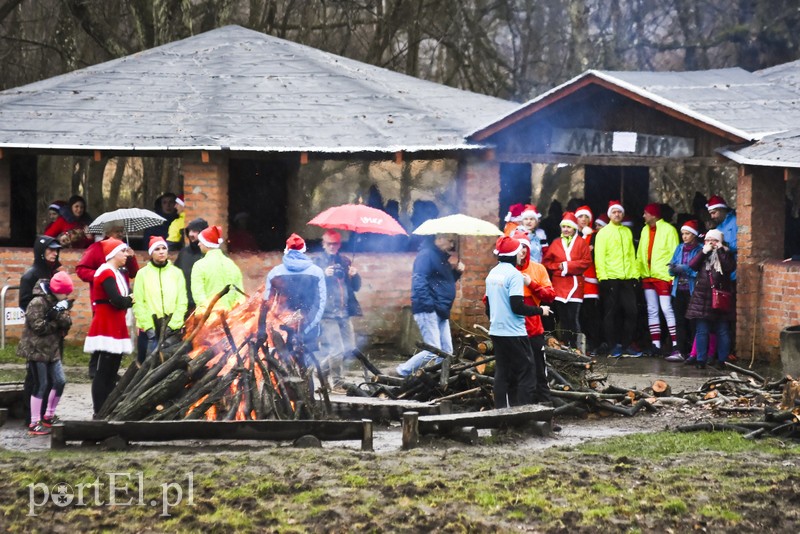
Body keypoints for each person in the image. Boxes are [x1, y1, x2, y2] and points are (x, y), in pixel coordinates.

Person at [484, 235, 551, 408]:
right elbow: (517, 307)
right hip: (514, 332)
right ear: (513, 253)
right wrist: (540, 310)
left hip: (496, 331)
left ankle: (502, 415)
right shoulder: (514, 275)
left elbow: (488, 308)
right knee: (527, 373)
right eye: (519, 250)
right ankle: (523, 415)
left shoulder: (493, 273)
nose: (522, 253)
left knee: (502, 373)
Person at [76, 221, 139, 377]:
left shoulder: (124, 250)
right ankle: (95, 366)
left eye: (122, 231)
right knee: (102, 330)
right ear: (108, 232)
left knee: (116, 330)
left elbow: (133, 273)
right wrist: (99, 277)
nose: (121, 234)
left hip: (120, 297)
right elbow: (81, 269)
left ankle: (111, 368)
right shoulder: (96, 248)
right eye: (117, 231)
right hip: (103, 297)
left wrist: (131, 257)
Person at [396, 234, 464, 377]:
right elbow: (419, 281)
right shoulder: (426, 255)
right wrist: (428, 306)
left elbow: (442, 282)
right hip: (430, 308)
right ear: (438, 239)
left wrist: (456, 273)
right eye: (449, 240)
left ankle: (439, 378)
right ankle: (401, 371)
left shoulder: (441, 258)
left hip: (441, 309)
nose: (452, 245)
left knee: (446, 352)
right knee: (433, 350)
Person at [16, 271, 74, 435]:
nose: (67, 295)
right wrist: (55, 322)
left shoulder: (58, 303)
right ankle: (34, 422)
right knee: (41, 385)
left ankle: (48, 415)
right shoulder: (37, 302)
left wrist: (60, 316)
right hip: (36, 349)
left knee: (60, 381)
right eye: (65, 292)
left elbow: (67, 322)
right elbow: (38, 326)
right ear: (57, 290)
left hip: (52, 350)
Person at [83, 238, 135, 416]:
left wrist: (127, 301)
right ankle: (99, 410)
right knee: (103, 372)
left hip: (115, 323)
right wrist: (132, 300)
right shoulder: (105, 272)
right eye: (123, 252)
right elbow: (117, 299)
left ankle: (107, 407)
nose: (126, 255)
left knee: (112, 371)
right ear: (113, 254)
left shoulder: (116, 271)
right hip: (106, 324)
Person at [258, 234, 326, 357]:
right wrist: (307, 327)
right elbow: (320, 304)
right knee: (306, 366)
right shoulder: (317, 272)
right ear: (304, 250)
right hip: (308, 326)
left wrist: (262, 330)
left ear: (287, 250)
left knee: (283, 363)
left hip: (281, 327)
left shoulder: (275, 272)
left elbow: (266, 303)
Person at [313, 230, 362, 392]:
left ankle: (318, 371)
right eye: (329, 244)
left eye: (335, 244)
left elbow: (356, 288)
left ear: (339, 244)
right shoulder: (317, 262)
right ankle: (338, 382)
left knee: (349, 348)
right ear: (323, 244)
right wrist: (323, 274)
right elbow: (310, 286)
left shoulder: (345, 261)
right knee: (337, 350)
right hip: (327, 314)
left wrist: (355, 276)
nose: (332, 247)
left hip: (344, 312)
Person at [512, 229, 555, 403]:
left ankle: (546, 413)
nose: (521, 251)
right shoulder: (505, 271)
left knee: (539, 372)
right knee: (518, 374)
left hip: (534, 330)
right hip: (513, 331)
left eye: (524, 247)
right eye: (517, 247)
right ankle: (519, 414)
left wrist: (531, 283)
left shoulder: (537, 268)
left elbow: (550, 296)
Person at [594, 201, 641, 357]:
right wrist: (603, 277)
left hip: (627, 278)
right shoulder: (603, 232)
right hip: (610, 278)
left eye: (619, 212)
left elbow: (631, 255)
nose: (617, 214)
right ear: (609, 214)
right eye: (614, 212)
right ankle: (612, 345)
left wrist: (635, 275)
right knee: (610, 313)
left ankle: (626, 344)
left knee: (631, 311)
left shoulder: (627, 232)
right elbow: (599, 256)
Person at [685, 229, 736, 369]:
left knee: (722, 330)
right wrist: (704, 251)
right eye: (707, 240)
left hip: (720, 298)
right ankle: (701, 360)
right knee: (702, 330)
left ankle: (722, 360)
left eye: (713, 240)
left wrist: (720, 250)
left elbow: (728, 267)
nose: (710, 243)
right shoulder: (703, 254)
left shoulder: (726, 253)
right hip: (702, 298)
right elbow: (692, 265)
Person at [133, 237, 188, 362]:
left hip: (171, 326)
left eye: (164, 248)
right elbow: (138, 302)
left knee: (168, 364)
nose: (161, 251)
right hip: (149, 327)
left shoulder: (177, 273)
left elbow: (182, 301)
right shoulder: (142, 274)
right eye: (157, 249)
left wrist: (174, 324)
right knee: (145, 365)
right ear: (151, 253)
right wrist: (148, 326)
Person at [636, 203, 680, 357]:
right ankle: (656, 345)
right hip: (647, 275)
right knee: (652, 310)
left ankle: (676, 344)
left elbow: (675, 252)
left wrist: (671, 274)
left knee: (667, 309)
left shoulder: (669, 230)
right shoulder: (644, 230)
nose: (643, 216)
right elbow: (641, 252)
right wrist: (640, 271)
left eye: (646, 213)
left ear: (653, 215)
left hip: (663, 275)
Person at [541, 212, 591, 347]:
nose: (566, 230)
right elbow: (546, 262)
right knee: (562, 318)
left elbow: (586, 262)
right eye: (563, 227)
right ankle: (565, 345)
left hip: (575, 285)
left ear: (574, 228)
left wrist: (567, 266)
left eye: (569, 227)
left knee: (573, 318)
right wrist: (558, 267)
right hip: (559, 284)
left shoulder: (581, 243)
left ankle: (576, 347)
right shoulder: (556, 243)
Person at [667, 220, 702, 362]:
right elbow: (671, 269)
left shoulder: (700, 249)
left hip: (692, 290)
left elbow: (697, 270)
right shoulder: (679, 248)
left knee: (693, 322)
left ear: (694, 235)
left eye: (687, 234)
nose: (684, 236)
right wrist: (674, 268)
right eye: (683, 234)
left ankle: (694, 352)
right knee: (679, 321)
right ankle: (680, 350)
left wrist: (683, 268)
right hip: (679, 289)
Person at [191, 225, 246, 313]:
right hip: (230, 319)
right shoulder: (231, 264)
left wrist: (210, 312)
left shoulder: (199, 265)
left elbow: (198, 295)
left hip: (208, 319)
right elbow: (240, 296)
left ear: (206, 244)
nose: (198, 244)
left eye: (201, 241)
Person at [575, 206, 601, 352]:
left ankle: (594, 343)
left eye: (586, 217)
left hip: (590, 279)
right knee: (579, 314)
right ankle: (581, 345)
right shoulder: (572, 235)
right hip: (576, 280)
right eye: (581, 217)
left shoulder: (596, 236)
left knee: (591, 313)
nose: (583, 219)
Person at [175, 217, 209, 314]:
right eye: (189, 231)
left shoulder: (210, 254)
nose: (190, 234)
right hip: (184, 306)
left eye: (195, 231)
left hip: (205, 307)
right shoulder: (183, 253)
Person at [19, 236, 62, 311]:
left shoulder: (56, 275)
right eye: (51, 250)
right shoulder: (30, 276)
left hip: (57, 320)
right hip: (38, 320)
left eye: (56, 250)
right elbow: (24, 303)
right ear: (41, 251)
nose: (55, 253)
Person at [706, 195, 737, 279]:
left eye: (714, 213)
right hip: (722, 272)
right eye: (710, 214)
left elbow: (743, 244)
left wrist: (726, 246)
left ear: (722, 209)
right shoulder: (718, 226)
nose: (712, 216)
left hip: (735, 271)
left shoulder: (735, 221)